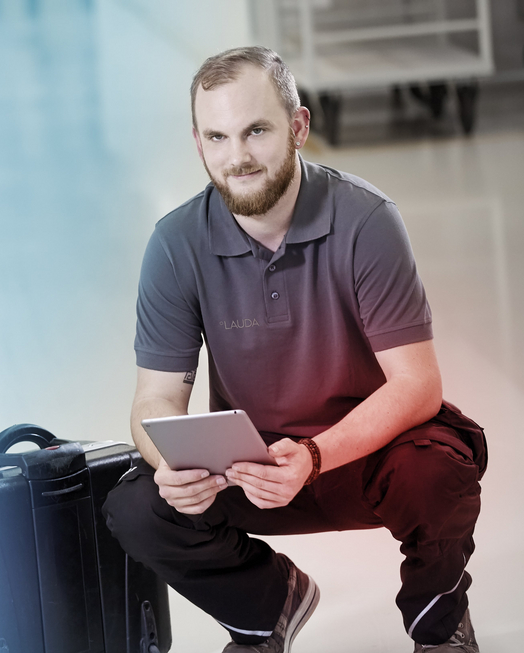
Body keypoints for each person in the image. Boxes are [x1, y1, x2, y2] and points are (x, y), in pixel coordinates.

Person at [101, 46, 487, 653]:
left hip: (364, 455)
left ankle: (438, 626)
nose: (238, 156)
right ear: (199, 144)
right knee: (137, 507)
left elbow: (417, 384)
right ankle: (266, 607)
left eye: (256, 130)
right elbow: (155, 396)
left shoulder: (366, 220)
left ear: (298, 127)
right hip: (247, 469)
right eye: (218, 136)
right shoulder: (175, 243)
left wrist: (313, 453)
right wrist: (169, 464)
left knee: (441, 470)